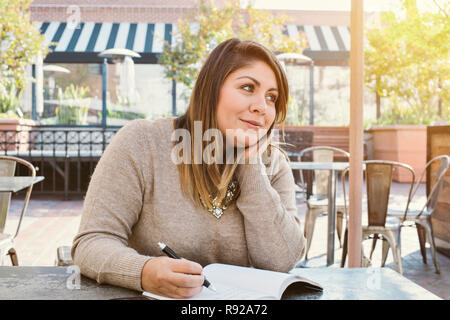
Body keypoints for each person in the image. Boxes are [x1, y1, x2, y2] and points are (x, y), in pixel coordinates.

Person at [71, 38, 306, 299]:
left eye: (271, 97)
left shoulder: (273, 164)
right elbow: (91, 243)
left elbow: (282, 261)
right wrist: (144, 272)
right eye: (248, 87)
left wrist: (251, 166)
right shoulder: (142, 143)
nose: (262, 106)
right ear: (211, 89)